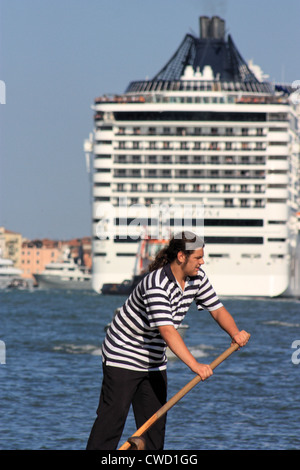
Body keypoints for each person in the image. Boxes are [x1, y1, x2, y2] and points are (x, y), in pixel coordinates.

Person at [86, 231, 250, 450]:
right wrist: (196, 366)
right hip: (122, 354)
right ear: (181, 256)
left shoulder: (197, 278)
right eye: (198, 257)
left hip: (154, 360)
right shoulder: (156, 284)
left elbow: (217, 309)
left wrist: (235, 333)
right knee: (111, 422)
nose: (202, 262)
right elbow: (168, 331)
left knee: (154, 428)